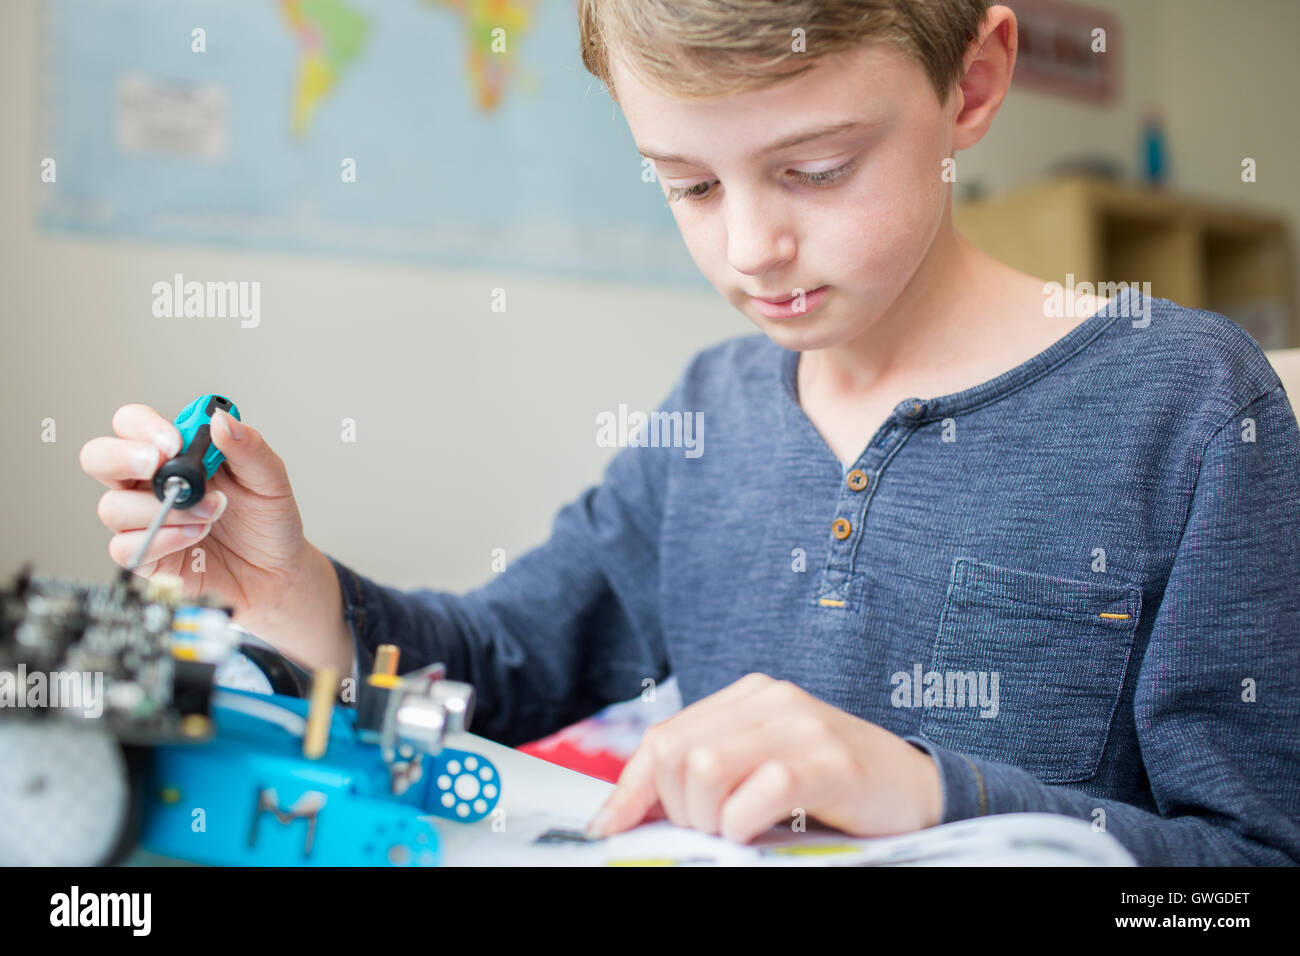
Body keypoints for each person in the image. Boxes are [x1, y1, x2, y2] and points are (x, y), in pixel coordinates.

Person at [79, 1, 1300, 865]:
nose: (747, 249)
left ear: (970, 85)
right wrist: (294, 588)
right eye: (689, 184)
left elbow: (1252, 857)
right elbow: (498, 663)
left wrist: (935, 793)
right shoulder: (708, 412)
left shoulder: (1187, 406)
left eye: (817, 168)